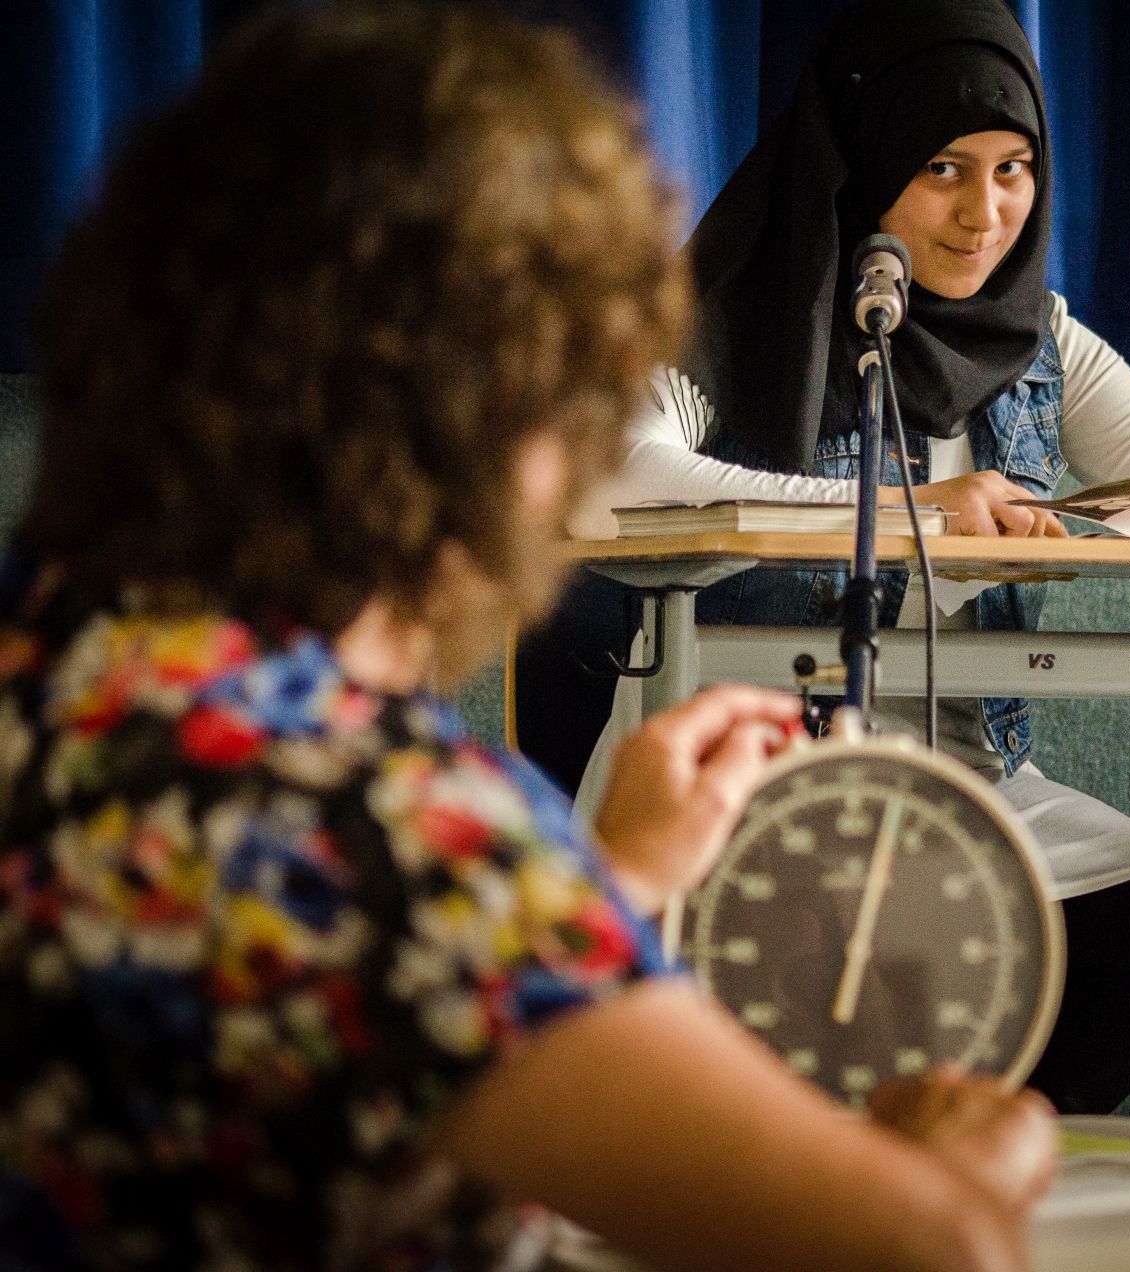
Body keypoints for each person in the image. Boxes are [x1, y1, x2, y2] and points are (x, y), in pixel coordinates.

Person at [0, 9, 1057, 1270]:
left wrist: (603, 893)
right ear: (498, 417)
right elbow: (924, 1251)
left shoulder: (62, 683)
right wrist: (976, 1166)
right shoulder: (386, 830)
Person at [569, 0, 1130, 1115]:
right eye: (942, 168)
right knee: (832, 951)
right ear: (862, 161)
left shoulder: (1040, 340)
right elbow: (612, 478)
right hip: (742, 782)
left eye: (1014, 169)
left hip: (964, 789)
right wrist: (904, 508)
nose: (986, 215)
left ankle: (940, 1178)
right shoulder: (728, 307)